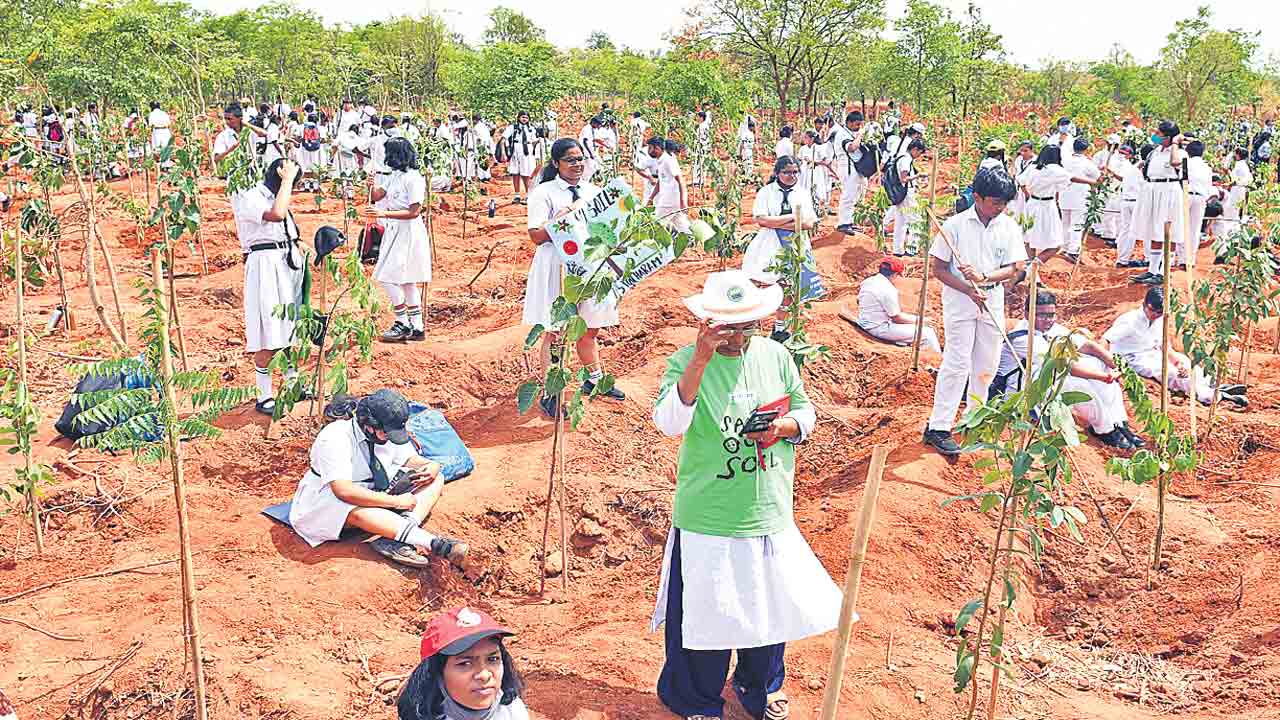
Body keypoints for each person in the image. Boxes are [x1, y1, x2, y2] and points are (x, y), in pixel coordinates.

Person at [651, 269, 839, 720]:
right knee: (705, 611)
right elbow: (669, 422)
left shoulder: (776, 356)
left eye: (747, 327)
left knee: (767, 605)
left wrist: (784, 427)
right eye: (727, 329)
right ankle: (695, 697)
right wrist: (700, 361)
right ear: (707, 324)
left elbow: (804, 409)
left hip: (767, 506)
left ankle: (759, 686)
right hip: (709, 513)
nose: (737, 338)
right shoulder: (685, 362)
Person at [288, 389, 468, 568]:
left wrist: (431, 466)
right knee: (355, 510)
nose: (390, 438)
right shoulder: (335, 437)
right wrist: (396, 501)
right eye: (387, 433)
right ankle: (435, 543)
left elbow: (409, 459)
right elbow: (343, 491)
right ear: (369, 426)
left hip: (374, 490)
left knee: (435, 479)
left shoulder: (386, 432)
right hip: (328, 500)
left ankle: (394, 538)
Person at [923, 168, 1028, 456]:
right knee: (957, 362)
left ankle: (974, 419)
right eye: (995, 202)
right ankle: (939, 427)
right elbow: (939, 269)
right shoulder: (955, 225)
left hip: (991, 298)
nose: (1000, 208)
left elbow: (1015, 267)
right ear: (978, 197)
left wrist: (984, 277)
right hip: (960, 300)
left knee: (987, 364)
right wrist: (968, 288)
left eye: (1004, 203)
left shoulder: (1008, 226)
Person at [524, 138, 626, 418]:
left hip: (590, 267)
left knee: (590, 326)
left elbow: (609, 228)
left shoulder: (594, 192)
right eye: (570, 160)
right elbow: (536, 236)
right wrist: (563, 217)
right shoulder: (544, 193)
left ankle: (595, 379)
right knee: (556, 330)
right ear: (556, 163)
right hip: (558, 267)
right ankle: (551, 392)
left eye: (580, 159)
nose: (577, 164)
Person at [993, 291, 1141, 449]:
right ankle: (1104, 429)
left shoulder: (1052, 329)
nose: (1048, 320)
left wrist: (1114, 364)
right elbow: (1066, 366)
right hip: (1023, 392)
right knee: (1076, 384)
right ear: (1027, 314)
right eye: (1041, 315)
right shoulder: (1023, 338)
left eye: (1051, 315)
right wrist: (1105, 377)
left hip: (1045, 381)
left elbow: (1087, 346)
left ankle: (1118, 422)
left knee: (1098, 363)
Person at [231, 158, 307, 414]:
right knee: (266, 329)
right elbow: (277, 215)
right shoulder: (251, 196)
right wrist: (287, 180)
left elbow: (286, 228)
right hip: (264, 267)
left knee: (288, 326)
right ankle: (264, 395)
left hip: (283, 265)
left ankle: (293, 385)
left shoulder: (277, 196)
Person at [1104, 286, 1246, 409]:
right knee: (1173, 373)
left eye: (1159, 312)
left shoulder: (1159, 319)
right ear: (1144, 304)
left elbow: (1164, 344)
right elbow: (1105, 339)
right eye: (1152, 310)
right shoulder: (1129, 322)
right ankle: (1212, 396)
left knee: (1185, 361)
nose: (1155, 315)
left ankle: (1211, 384)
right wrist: (1106, 364)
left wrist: (1177, 363)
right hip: (1134, 359)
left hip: (1152, 352)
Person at [397, 607, 528, 720]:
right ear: (437, 673)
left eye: (492, 659)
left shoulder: (512, 710)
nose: (484, 675)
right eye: (465, 663)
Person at [743, 156, 821, 342]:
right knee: (757, 282)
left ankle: (780, 328)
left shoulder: (802, 193)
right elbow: (761, 220)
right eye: (787, 172)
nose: (791, 176)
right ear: (777, 173)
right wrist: (793, 218)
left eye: (795, 172)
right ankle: (748, 324)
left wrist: (776, 222)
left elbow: (808, 223)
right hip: (768, 243)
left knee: (788, 285)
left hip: (795, 245)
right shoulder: (766, 192)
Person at [365, 138, 431, 343]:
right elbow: (377, 195)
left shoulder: (413, 179)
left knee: (387, 276)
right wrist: (370, 184)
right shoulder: (395, 175)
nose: (386, 158)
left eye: (388, 154)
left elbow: (414, 211)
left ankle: (402, 322)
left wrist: (383, 213)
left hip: (408, 231)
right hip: (395, 229)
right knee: (407, 281)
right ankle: (417, 327)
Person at [1131, 121, 1188, 286]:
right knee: (1154, 231)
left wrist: (1175, 143)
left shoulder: (1180, 153)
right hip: (1153, 191)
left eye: (1159, 134)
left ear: (1169, 137)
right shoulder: (1155, 151)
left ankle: (1165, 272)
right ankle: (1153, 270)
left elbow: (1176, 163)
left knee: (1169, 232)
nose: (1156, 136)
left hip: (1169, 191)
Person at [1019, 145, 1096, 264]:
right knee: (1055, 244)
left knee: (1029, 239)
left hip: (1032, 204)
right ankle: (1033, 265)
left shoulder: (1033, 167)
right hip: (1046, 206)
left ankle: (1031, 267)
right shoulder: (1053, 168)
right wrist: (1092, 182)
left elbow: (1020, 180)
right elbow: (1072, 178)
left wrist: (1027, 194)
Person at [852, 256, 941, 352]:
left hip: (864, 322)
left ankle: (904, 342)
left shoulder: (868, 281)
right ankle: (935, 357)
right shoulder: (888, 289)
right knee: (928, 333)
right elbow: (897, 318)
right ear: (895, 274)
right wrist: (921, 321)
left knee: (915, 324)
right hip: (878, 328)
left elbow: (858, 301)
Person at [1060, 137, 1102, 263]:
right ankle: (1073, 251)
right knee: (1077, 224)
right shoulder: (1087, 163)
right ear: (1086, 149)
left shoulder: (1064, 161)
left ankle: (1065, 246)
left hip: (1064, 194)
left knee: (1065, 223)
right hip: (1079, 197)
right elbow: (1098, 177)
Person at [832, 111, 869, 235]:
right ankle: (843, 223)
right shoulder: (842, 134)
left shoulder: (850, 132)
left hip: (856, 168)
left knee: (856, 195)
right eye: (857, 124)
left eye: (860, 124)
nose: (859, 127)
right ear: (849, 122)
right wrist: (860, 136)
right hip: (847, 168)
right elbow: (851, 148)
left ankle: (850, 221)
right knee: (848, 195)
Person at [645, 136, 691, 234]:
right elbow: (660, 182)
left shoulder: (668, 161)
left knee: (656, 224)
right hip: (672, 200)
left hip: (670, 201)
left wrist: (683, 202)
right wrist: (651, 198)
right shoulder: (661, 161)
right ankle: (691, 238)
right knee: (681, 224)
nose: (648, 150)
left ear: (657, 148)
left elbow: (681, 181)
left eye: (650, 148)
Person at [890, 138, 928, 257]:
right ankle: (912, 249)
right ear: (915, 149)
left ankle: (898, 250)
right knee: (916, 220)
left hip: (901, 193)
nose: (919, 156)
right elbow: (904, 179)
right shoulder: (906, 159)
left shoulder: (902, 157)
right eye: (919, 153)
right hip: (906, 194)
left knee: (901, 222)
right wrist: (918, 176)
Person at [1183, 140, 1213, 269]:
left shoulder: (1185, 163)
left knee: (1182, 227)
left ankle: (1181, 258)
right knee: (1194, 230)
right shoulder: (1207, 167)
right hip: (1200, 197)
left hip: (1186, 194)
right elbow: (1209, 186)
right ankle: (1190, 260)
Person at [1114, 146, 1146, 268]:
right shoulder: (1140, 171)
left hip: (1126, 202)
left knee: (1125, 230)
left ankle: (1121, 259)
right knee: (1138, 231)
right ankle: (1146, 258)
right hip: (1135, 203)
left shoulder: (1130, 169)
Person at [213, 102, 267, 169]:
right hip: (233, 171)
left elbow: (264, 134)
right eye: (225, 119)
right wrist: (231, 149)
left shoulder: (249, 132)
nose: (227, 122)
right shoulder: (223, 136)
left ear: (240, 118)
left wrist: (247, 124)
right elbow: (216, 158)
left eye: (230, 119)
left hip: (251, 168)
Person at [503, 111, 540, 205]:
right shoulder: (513, 127)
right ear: (519, 117)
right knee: (515, 173)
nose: (524, 119)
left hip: (527, 151)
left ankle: (528, 195)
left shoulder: (531, 128)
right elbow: (504, 138)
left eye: (526, 118)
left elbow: (534, 141)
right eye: (523, 117)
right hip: (516, 150)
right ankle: (517, 195)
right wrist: (504, 152)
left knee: (526, 173)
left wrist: (539, 140)